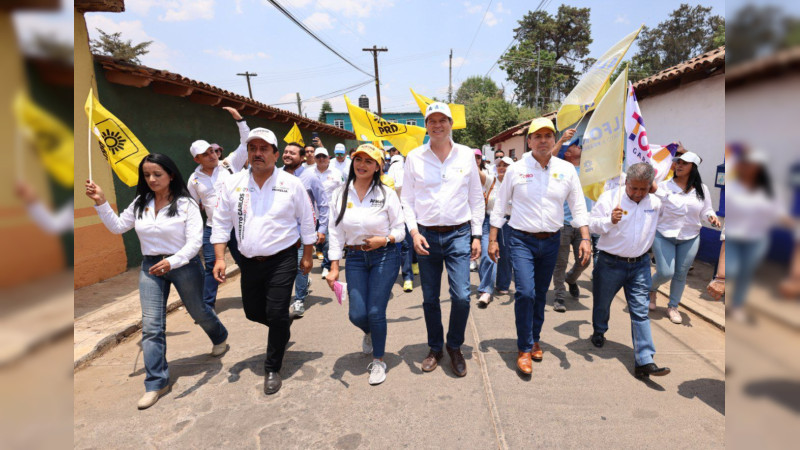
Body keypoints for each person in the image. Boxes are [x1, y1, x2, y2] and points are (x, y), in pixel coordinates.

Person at [85, 154, 229, 409]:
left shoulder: (186, 204)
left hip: (184, 265)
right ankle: (156, 383)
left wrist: (172, 261)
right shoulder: (141, 202)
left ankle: (219, 336)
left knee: (198, 311)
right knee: (152, 325)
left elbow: (195, 242)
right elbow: (118, 226)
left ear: (171, 175)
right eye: (147, 175)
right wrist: (102, 202)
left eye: (157, 174)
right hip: (150, 267)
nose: (151, 179)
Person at [211, 127, 316, 395]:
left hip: (282, 259)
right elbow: (221, 223)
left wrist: (306, 255)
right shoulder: (233, 184)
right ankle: (281, 324)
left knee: (276, 312)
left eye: (263, 149)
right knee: (253, 312)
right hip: (247, 261)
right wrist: (220, 258)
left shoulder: (291, 184)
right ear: (247, 153)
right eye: (252, 149)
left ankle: (272, 368)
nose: (257, 154)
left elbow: (306, 221)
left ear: (275, 154)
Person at [488, 117, 589, 376]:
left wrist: (586, 238)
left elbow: (578, 206)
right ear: (529, 141)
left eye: (548, 136)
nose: (543, 140)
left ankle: (534, 338)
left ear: (554, 140)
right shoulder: (516, 170)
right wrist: (492, 238)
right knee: (525, 293)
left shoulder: (566, 170)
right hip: (521, 240)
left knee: (541, 294)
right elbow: (500, 206)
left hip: (552, 240)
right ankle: (523, 348)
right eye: (538, 136)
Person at [401, 102, 484, 377]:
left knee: (461, 296)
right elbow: (408, 200)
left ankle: (455, 345)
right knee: (429, 298)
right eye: (431, 121)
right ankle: (435, 347)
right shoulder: (414, 157)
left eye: (442, 120)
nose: (437, 125)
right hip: (425, 235)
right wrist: (413, 232)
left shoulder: (465, 156)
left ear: (451, 123)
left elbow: (475, 197)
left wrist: (476, 234)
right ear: (426, 125)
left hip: (459, 234)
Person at [326, 144, 405, 385]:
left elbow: (400, 229)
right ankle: (370, 332)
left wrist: (386, 239)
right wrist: (334, 266)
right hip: (356, 258)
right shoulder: (340, 194)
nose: (362, 164)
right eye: (358, 159)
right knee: (357, 313)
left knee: (375, 311)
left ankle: (379, 361)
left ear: (378, 166)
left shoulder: (386, 194)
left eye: (368, 161)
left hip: (385, 255)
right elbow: (335, 231)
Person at [589, 163, 671, 378]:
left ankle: (644, 360)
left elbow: (675, 209)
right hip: (609, 263)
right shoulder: (610, 198)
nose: (638, 193)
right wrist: (609, 220)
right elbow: (592, 225)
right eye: (634, 188)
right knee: (602, 303)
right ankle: (599, 330)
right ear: (627, 182)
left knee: (640, 311)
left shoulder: (654, 202)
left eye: (643, 189)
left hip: (640, 265)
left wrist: (657, 190)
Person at [186, 106, 250, 310]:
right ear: (197, 159)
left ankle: (254, 297)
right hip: (213, 228)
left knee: (247, 265)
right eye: (206, 154)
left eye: (212, 151)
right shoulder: (194, 180)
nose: (212, 155)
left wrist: (239, 119)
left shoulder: (230, 165)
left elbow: (245, 142)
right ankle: (207, 306)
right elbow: (192, 207)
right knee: (211, 266)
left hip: (239, 226)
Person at [649, 151, 721, 323]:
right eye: (677, 162)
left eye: (684, 163)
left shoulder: (702, 189)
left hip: (690, 236)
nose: (679, 165)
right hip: (664, 234)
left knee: (680, 274)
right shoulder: (665, 186)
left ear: (693, 167)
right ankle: (650, 290)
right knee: (666, 272)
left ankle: (673, 306)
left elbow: (706, 210)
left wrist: (711, 216)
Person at [281, 142, 329, 319]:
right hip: (281, 230)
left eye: (292, 153)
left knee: (301, 263)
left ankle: (299, 298)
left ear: (302, 158)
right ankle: (298, 287)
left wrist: (322, 229)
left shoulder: (311, 177)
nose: (287, 155)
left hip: (303, 229)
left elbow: (323, 204)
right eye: (285, 152)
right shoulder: (276, 175)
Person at [551, 139, 593, 313]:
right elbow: (549, 157)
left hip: (582, 224)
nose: (580, 147)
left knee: (585, 260)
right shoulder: (559, 168)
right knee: (560, 263)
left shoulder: (590, 168)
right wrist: (561, 140)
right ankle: (559, 295)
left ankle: (571, 279)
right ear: (567, 153)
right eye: (575, 145)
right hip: (562, 224)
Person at [313, 147, 345, 278]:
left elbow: (343, 192)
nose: (321, 159)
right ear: (315, 159)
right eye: (318, 157)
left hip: (330, 213)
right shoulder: (309, 173)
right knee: (313, 241)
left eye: (324, 156)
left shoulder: (337, 173)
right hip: (312, 213)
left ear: (328, 158)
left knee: (328, 241)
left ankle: (326, 266)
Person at [386, 152, 415, 292]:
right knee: (399, 245)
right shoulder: (390, 173)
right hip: (390, 213)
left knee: (406, 244)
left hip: (407, 212)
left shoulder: (412, 172)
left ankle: (408, 276)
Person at [475, 149, 497, 307]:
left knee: (488, 255)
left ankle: (486, 290)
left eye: (477, 157)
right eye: (471, 158)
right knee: (477, 256)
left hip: (488, 219)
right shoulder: (460, 174)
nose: (474, 160)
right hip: (466, 221)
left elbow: (485, 180)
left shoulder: (488, 174)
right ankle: (486, 285)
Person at [492, 157, 514, 296]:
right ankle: (490, 284)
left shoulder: (517, 181)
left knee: (507, 255)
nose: (502, 167)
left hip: (512, 221)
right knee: (494, 254)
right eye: (499, 165)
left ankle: (503, 283)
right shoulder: (491, 181)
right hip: (493, 221)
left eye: (505, 165)